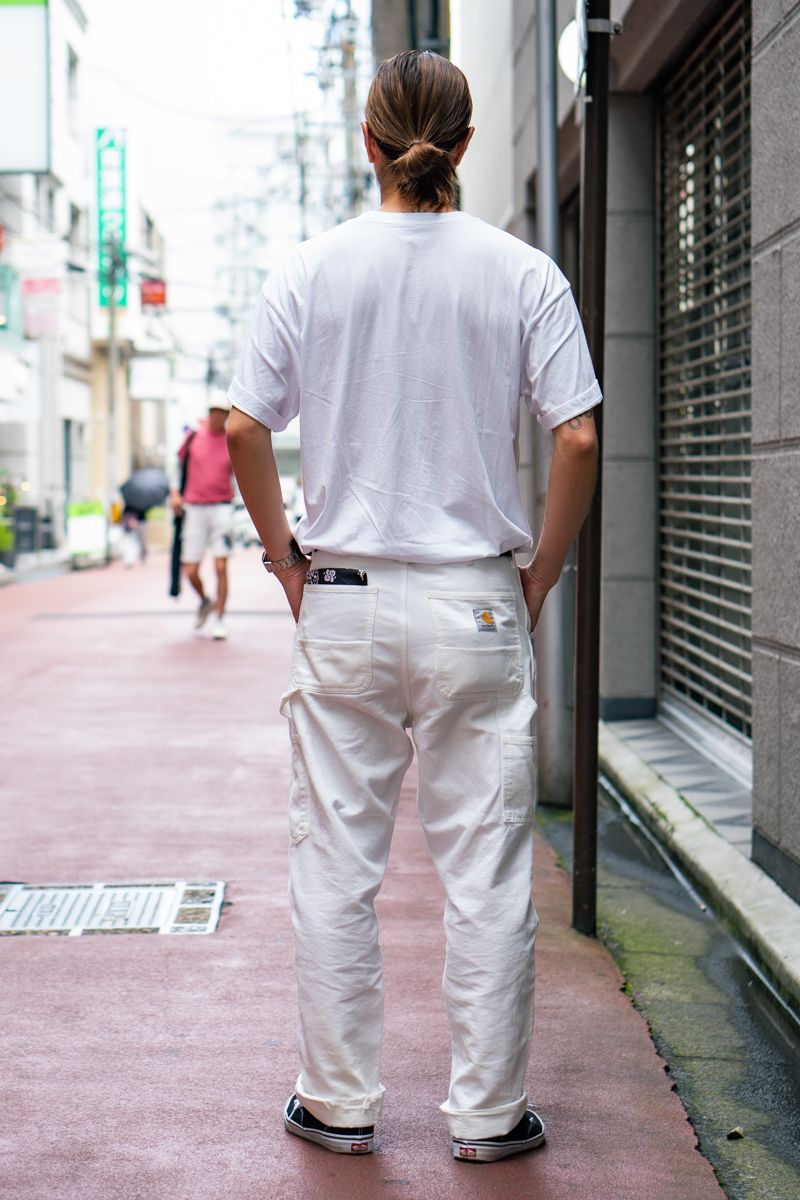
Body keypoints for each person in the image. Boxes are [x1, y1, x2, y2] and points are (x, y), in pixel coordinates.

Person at [226, 50, 600, 1164]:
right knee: (486, 872)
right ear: (466, 144)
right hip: (477, 603)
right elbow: (578, 436)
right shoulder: (522, 271)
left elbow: (244, 426)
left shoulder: (310, 270)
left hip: (342, 597)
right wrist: (537, 577)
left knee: (335, 867)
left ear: (368, 141)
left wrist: (285, 562)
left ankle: (338, 1105)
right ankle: (489, 1116)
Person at [169, 397, 235, 641]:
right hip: (194, 508)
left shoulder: (232, 440)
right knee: (190, 570)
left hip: (222, 508)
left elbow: (243, 475)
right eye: (213, 412)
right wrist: (175, 494)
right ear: (209, 413)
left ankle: (220, 619)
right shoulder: (194, 437)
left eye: (222, 412)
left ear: (227, 415)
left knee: (221, 566)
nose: (217, 416)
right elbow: (178, 467)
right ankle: (206, 601)